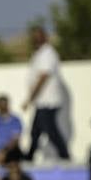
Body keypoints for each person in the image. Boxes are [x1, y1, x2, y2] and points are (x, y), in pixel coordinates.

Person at [22, 26, 70, 161]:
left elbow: (43, 77)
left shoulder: (48, 53)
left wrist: (30, 98)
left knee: (50, 130)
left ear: (44, 37)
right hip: (41, 101)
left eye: (38, 36)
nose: (35, 39)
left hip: (49, 100)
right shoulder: (39, 54)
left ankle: (64, 155)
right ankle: (29, 156)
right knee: (35, 131)